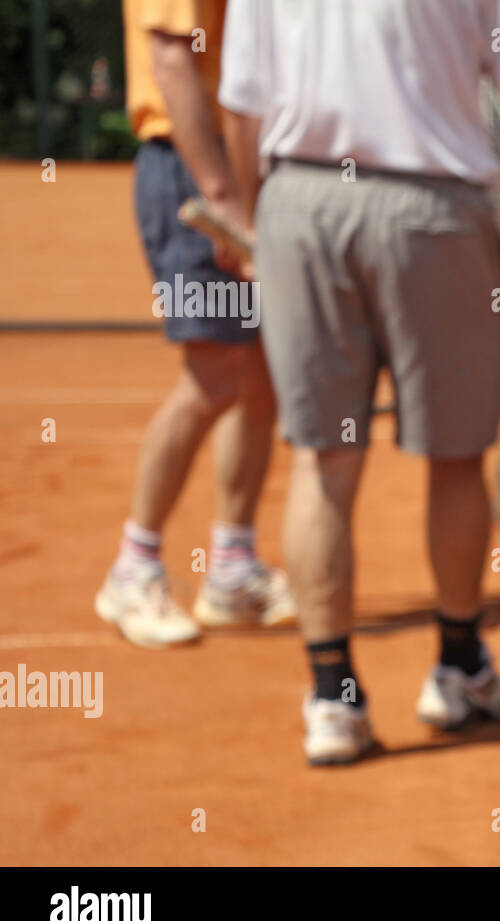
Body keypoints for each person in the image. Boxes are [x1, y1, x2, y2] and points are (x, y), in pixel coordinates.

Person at [218, 0, 500, 765]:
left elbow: (242, 110)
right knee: (456, 455)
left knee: (323, 459)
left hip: (299, 205)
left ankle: (332, 699)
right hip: (431, 211)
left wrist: (262, 223)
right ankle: (459, 667)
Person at [97, 0, 294, 649]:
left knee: (261, 370)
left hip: (248, 165)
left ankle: (232, 569)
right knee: (216, 371)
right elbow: (172, 60)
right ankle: (135, 565)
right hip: (196, 167)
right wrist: (222, 196)